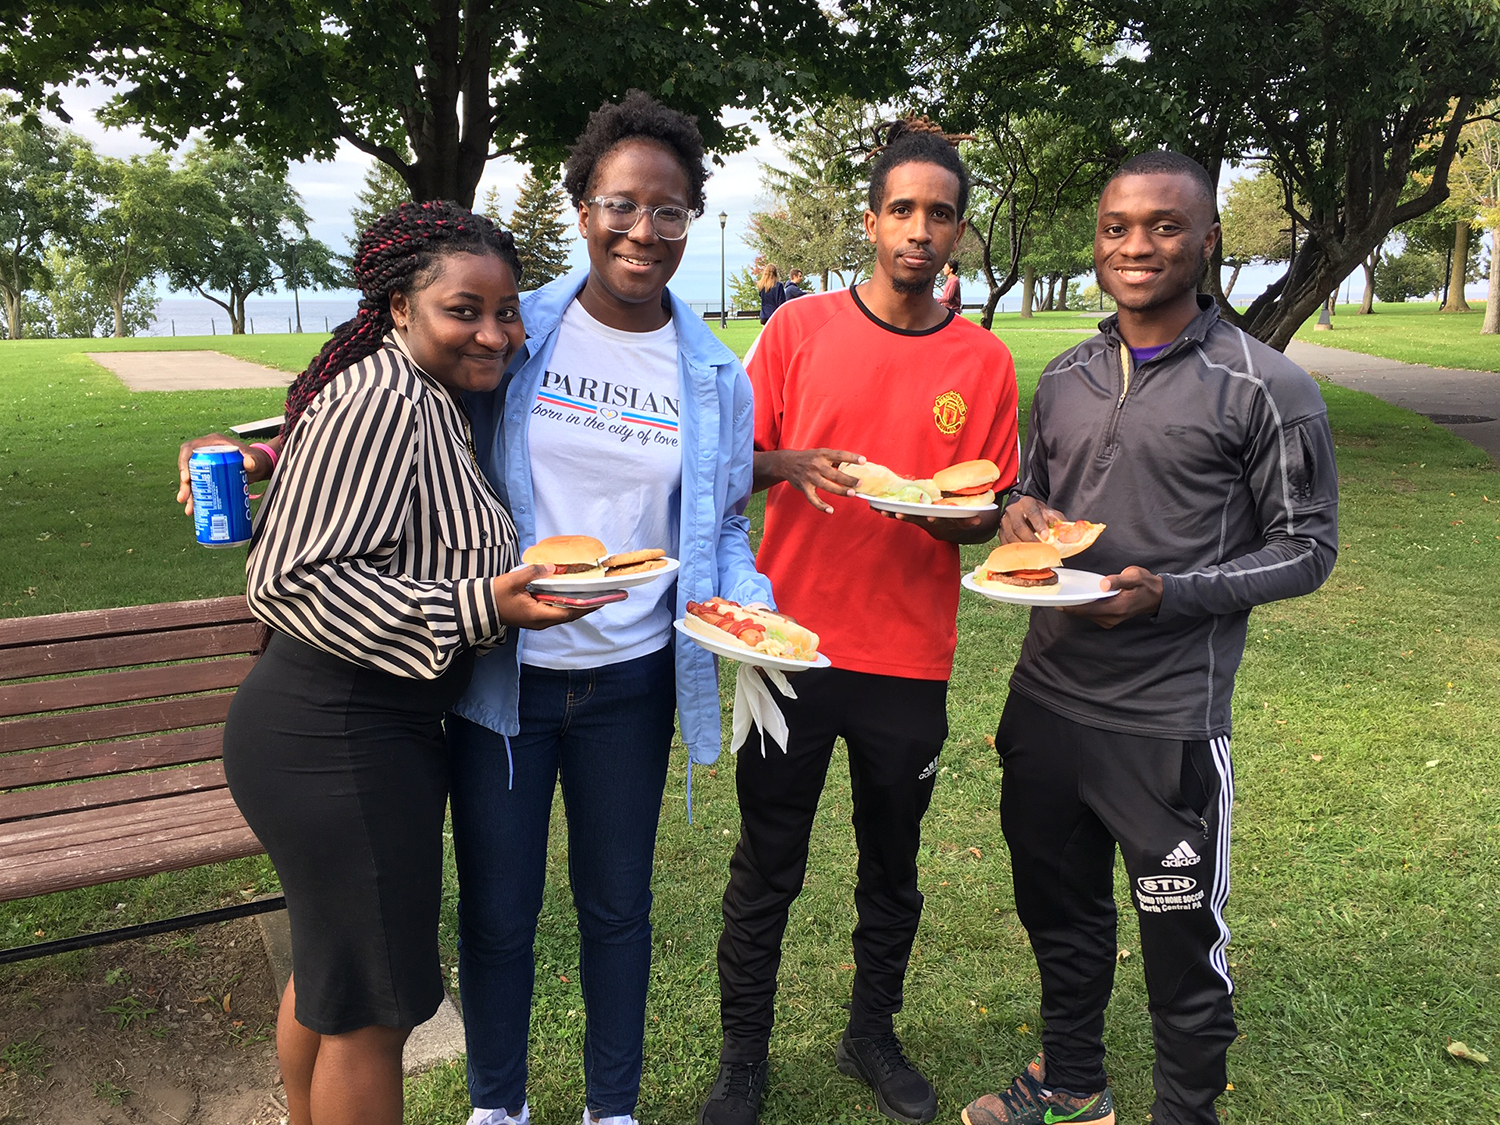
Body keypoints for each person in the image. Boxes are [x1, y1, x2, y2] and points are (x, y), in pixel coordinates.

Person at [959, 151, 1338, 1125]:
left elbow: (1307, 550)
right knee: (1060, 912)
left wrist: (1168, 593)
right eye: (1117, 226)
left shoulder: (1267, 387)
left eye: (1165, 227)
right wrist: (1021, 514)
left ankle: (1186, 1110)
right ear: (1096, 241)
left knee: (1178, 944)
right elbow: (1036, 491)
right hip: (1045, 703)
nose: (1137, 245)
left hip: (1165, 722)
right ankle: (1074, 1082)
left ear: (1208, 243)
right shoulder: (1069, 375)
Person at [209, 202, 589, 1125]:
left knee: (334, 974)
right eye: (466, 310)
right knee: (374, 1011)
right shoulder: (384, 397)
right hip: (338, 733)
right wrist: (481, 604)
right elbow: (290, 582)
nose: (494, 332)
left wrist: (252, 452)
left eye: (507, 311)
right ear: (398, 309)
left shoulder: (428, 396)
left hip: (357, 730)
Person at [443, 91, 773, 1125]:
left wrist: (755, 616)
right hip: (507, 676)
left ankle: (610, 1108)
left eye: (670, 211)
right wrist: (269, 447)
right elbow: (393, 400)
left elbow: (717, 528)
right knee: (499, 914)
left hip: (633, 681)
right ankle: (497, 1106)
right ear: (582, 208)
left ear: (692, 222)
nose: (644, 230)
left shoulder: (716, 372)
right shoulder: (515, 328)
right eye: (621, 204)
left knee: (616, 910)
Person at [698, 121, 1020, 1125]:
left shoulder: (985, 361)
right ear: (872, 221)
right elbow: (723, 468)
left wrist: (955, 512)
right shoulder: (796, 331)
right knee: (769, 865)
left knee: (894, 865)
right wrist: (786, 463)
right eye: (902, 210)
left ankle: (869, 1032)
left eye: (940, 213)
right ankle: (742, 1057)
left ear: (960, 232)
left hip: (909, 663)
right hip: (792, 649)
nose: (920, 229)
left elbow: (984, 511)